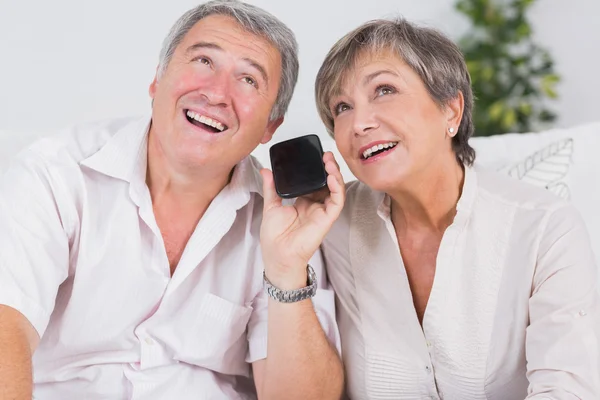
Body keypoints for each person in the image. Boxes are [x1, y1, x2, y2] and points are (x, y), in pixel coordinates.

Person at [0, 1, 344, 399]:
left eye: (248, 79)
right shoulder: (56, 173)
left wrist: (286, 271)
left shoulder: (284, 220)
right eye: (203, 60)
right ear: (157, 81)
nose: (216, 93)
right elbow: (6, 324)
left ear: (270, 125)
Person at [313, 18, 600, 399]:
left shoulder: (545, 228)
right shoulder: (327, 224)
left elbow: (567, 390)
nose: (359, 123)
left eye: (384, 90)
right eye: (342, 107)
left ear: (451, 109)